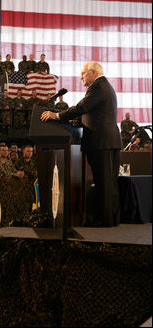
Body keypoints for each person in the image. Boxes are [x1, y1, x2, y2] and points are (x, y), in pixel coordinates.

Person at [41, 61, 122, 227]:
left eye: (83, 73)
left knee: (103, 182)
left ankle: (104, 221)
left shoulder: (98, 87)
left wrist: (56, 116)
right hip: (108, 140)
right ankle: (111, 219)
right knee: (109, 182)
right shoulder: (105, 86)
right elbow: (95, 112)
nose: (80, 77)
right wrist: (77, 119)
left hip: (101, 142)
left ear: (92, 73)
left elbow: (83, 106)